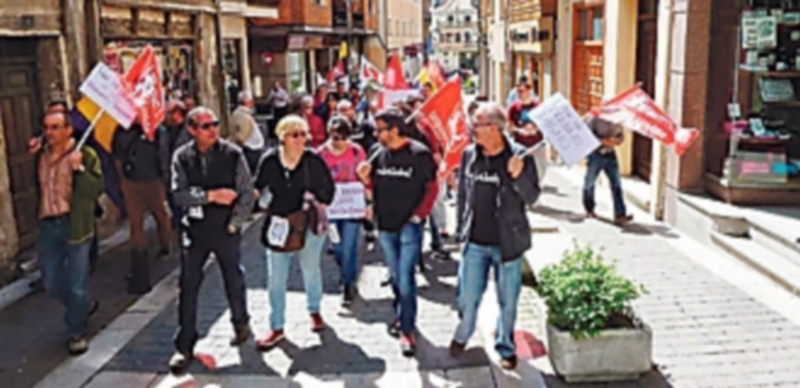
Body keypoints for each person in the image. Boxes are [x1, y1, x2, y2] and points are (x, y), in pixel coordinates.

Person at [451, 102, 541, 370]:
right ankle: (463, 334)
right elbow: (464, 195)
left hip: (508, 242)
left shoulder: (520, 156)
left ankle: (505, 346)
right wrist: (460, 230)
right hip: (475, 240)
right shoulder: (470, 154)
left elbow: (532, 197)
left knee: (508, 300)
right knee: (467, 295)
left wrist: (519, 176)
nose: (472, 130)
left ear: (493, 128)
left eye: (476, 125)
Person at [169, 107, 254, 374]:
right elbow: (178, 194)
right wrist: (210, 196)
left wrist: (235, 223)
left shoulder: (232, 154)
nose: (212, 130)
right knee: (189, 283)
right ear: (192, 130)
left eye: (215, 124)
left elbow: (246, 192)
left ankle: (241, 323)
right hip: (195, 231)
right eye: (205, 126)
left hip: (224, 229)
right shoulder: (182, 157)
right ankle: (185, 345)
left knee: (233, 277)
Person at [356, 108, 438, 356]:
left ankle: (407, 329)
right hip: (385, 223)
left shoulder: (418, 153)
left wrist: (418, 216)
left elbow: (431, 187)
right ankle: (401, 313)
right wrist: (365, 182)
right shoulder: (377, 153)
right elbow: (373, 188)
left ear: (395, 130)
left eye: (380, 129)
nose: (376, 133)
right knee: (395, 275)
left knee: (406, 277)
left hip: (409, 225)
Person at [254, 115, 335, 350]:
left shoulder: (312, 160)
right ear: (283, 137)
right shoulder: (270, 159)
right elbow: (258, 187)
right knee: (276, 278)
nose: (301, 139)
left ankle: (315, 310)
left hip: (307, 222)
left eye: (303, 134)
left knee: (310, 270)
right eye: (295, 134)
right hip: (279, 223)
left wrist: (317, 201)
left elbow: (328, 190)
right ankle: (276, 326)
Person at [28, 111, 103, 355]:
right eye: (47, 128)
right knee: (51, 281)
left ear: (69, 130)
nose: (50, 133)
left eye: (56, 127)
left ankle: (76, 332)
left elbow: (95, 189)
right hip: (49, 224)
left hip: (76, 225)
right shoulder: (40, 155)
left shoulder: (85, 155)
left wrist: (79, 168)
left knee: (77, 283)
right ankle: (80, 307)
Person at [112, 118, 173, 294]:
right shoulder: (156, 130)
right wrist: (166, 178)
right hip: (151, 180)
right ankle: (163, 247)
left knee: (138, 221)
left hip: (133, 181)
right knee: (158, 215)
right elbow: (163, 155)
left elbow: (117, 159)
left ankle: (142, 260)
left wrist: (122, 179)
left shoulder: (121, 130)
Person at [317, 116, 367, 309]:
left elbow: (364, 177)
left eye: (342, 137)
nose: (338, 142)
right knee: (337, 246)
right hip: (331, 209)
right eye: (335, 137)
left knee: (349, 246)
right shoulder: (321, 153)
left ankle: (348, 284)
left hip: (352, 207)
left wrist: (368, 200)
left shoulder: (356, 151)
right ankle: (347, 273)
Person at [583, 115, 633, 225]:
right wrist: (603, 141)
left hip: (610, 154)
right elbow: (587, 135)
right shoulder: (594, 119)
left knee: (616, 184)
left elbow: (621, 136)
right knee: (589, 183)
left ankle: (620, 214)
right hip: (595, 154)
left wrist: (617, 141)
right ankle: (589, 209)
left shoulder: (618, 119)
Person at [507, 82, 547, 184]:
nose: (520, 94)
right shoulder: (514, 108)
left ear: (529, 91)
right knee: (521, 170)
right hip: (521, 144)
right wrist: (520, 131)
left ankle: (537, 187)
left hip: (537, 144)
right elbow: (509, 125)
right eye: (518, 92)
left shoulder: (538, 106)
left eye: (522, 91)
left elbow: (545, 123)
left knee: (541, 168)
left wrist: (535, 129)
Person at [229, 90, 265, 174]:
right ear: (248, 102)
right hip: (251, 149)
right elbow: (241, 136)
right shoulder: (243, 115)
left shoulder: (239, 113)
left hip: (251, 149)